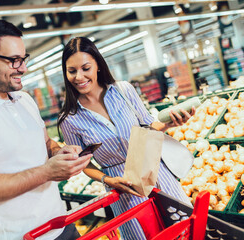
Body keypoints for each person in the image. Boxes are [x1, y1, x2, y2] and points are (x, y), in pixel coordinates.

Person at [0, 20, 92, 240]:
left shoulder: (24, 99)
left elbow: (45, 143)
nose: (23, 68)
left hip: (61, 225)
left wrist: (58, 153)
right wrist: (47, 172)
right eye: (14, 60)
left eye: (23, 59)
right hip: (23, 236)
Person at [58, 37, 196, 239]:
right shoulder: (69, 120)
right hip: (123, 188)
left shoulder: (123, 91)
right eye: (72, 71)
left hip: (156, 171)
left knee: (184, 230)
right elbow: (83, 163)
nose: (79, 77)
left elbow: (148, 127)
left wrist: (169, 123)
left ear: (97, 65)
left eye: (85, 68)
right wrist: (107, 180)